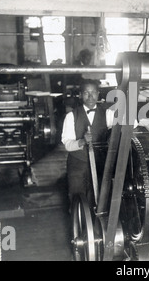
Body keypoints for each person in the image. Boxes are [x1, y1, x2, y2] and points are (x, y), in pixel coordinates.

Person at [61, 78, 114, 208]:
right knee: (77, 198)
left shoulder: (107, 113)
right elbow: (67, 144)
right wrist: (82, 141)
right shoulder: (71, 116)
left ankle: (96, 226)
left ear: (98, 94)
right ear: (80, 95)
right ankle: (79, 226)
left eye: (93, 92)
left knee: (99, 199)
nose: (90, 96)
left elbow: (131, 123)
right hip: (77, 164)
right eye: (86, 93)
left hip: (99, 163)